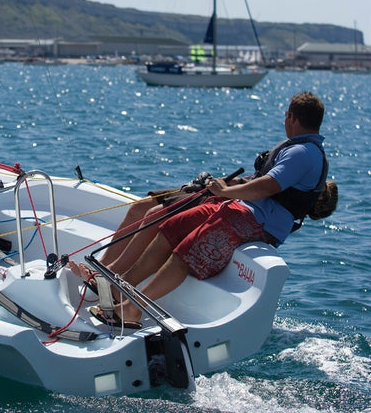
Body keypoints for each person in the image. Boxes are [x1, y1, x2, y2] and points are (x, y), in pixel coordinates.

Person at [79, 93, 331, 328]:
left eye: (286, 115)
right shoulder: (295, 148)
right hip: (240, 208)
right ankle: (117, 289)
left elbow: (268, 186)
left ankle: (133, 309)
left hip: (259, 221)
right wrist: (222, 185)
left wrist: (225, 192)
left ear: (292, 118)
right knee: (171, 227)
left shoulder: (303, 153)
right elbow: (258, 180)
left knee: (188, 250)